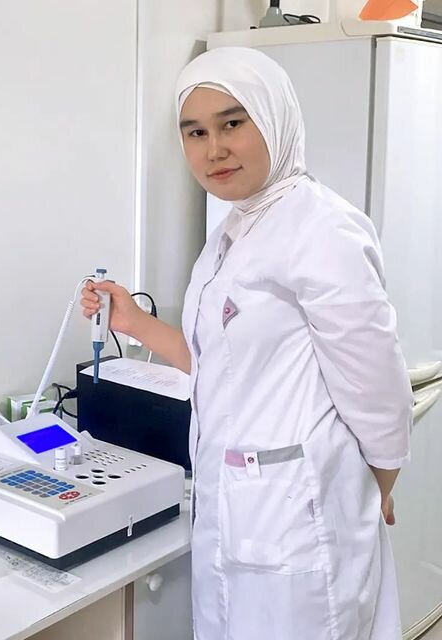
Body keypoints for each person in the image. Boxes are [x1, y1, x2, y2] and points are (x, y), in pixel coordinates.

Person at [81, 47, 413, 639]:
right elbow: (222, 363)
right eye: (195, 132)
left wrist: (372, 490)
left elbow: (379, 392)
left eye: (232, 123)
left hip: (301, 522)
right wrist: (134, 324)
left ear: (275, 119)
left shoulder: (322, 229)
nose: (213, 149)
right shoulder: (231, 232)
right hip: (237, 513)